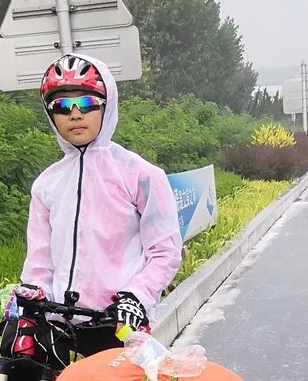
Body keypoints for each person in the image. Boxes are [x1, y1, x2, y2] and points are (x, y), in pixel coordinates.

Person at [14, 53, 183, 355]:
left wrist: (136, 296)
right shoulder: (46, 185)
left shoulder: (141, 175)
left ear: (108, 105)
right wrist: (30, 296)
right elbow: (39, 261)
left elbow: (165, 251)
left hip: (118, 323)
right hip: (57, 324)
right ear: (50, 114)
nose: (75, 114)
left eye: (88, 103)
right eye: (62, 106)